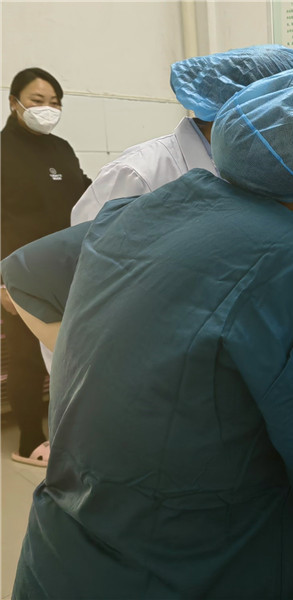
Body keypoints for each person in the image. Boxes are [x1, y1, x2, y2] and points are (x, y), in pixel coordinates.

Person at [12, 60, 293, 600]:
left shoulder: (144, 210)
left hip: (62, 561)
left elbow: (22, 277)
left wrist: (102, 364)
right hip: (193, 577)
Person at [70, 45, 293, 225]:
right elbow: (81, 259)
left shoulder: (259, 170)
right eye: (277, 115)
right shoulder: (139, 174)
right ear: (235, 108)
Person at [1, 67, 91, 467]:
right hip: (18, 275)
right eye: (37, 101)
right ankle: (29, 441)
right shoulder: (3, 152)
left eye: (55, 103)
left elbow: (85, 192)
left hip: (65, 269)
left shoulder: (61, 148)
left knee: (67, 351)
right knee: (25, 356)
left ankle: (67, 429)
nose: (47, 109)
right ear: (14, 102)